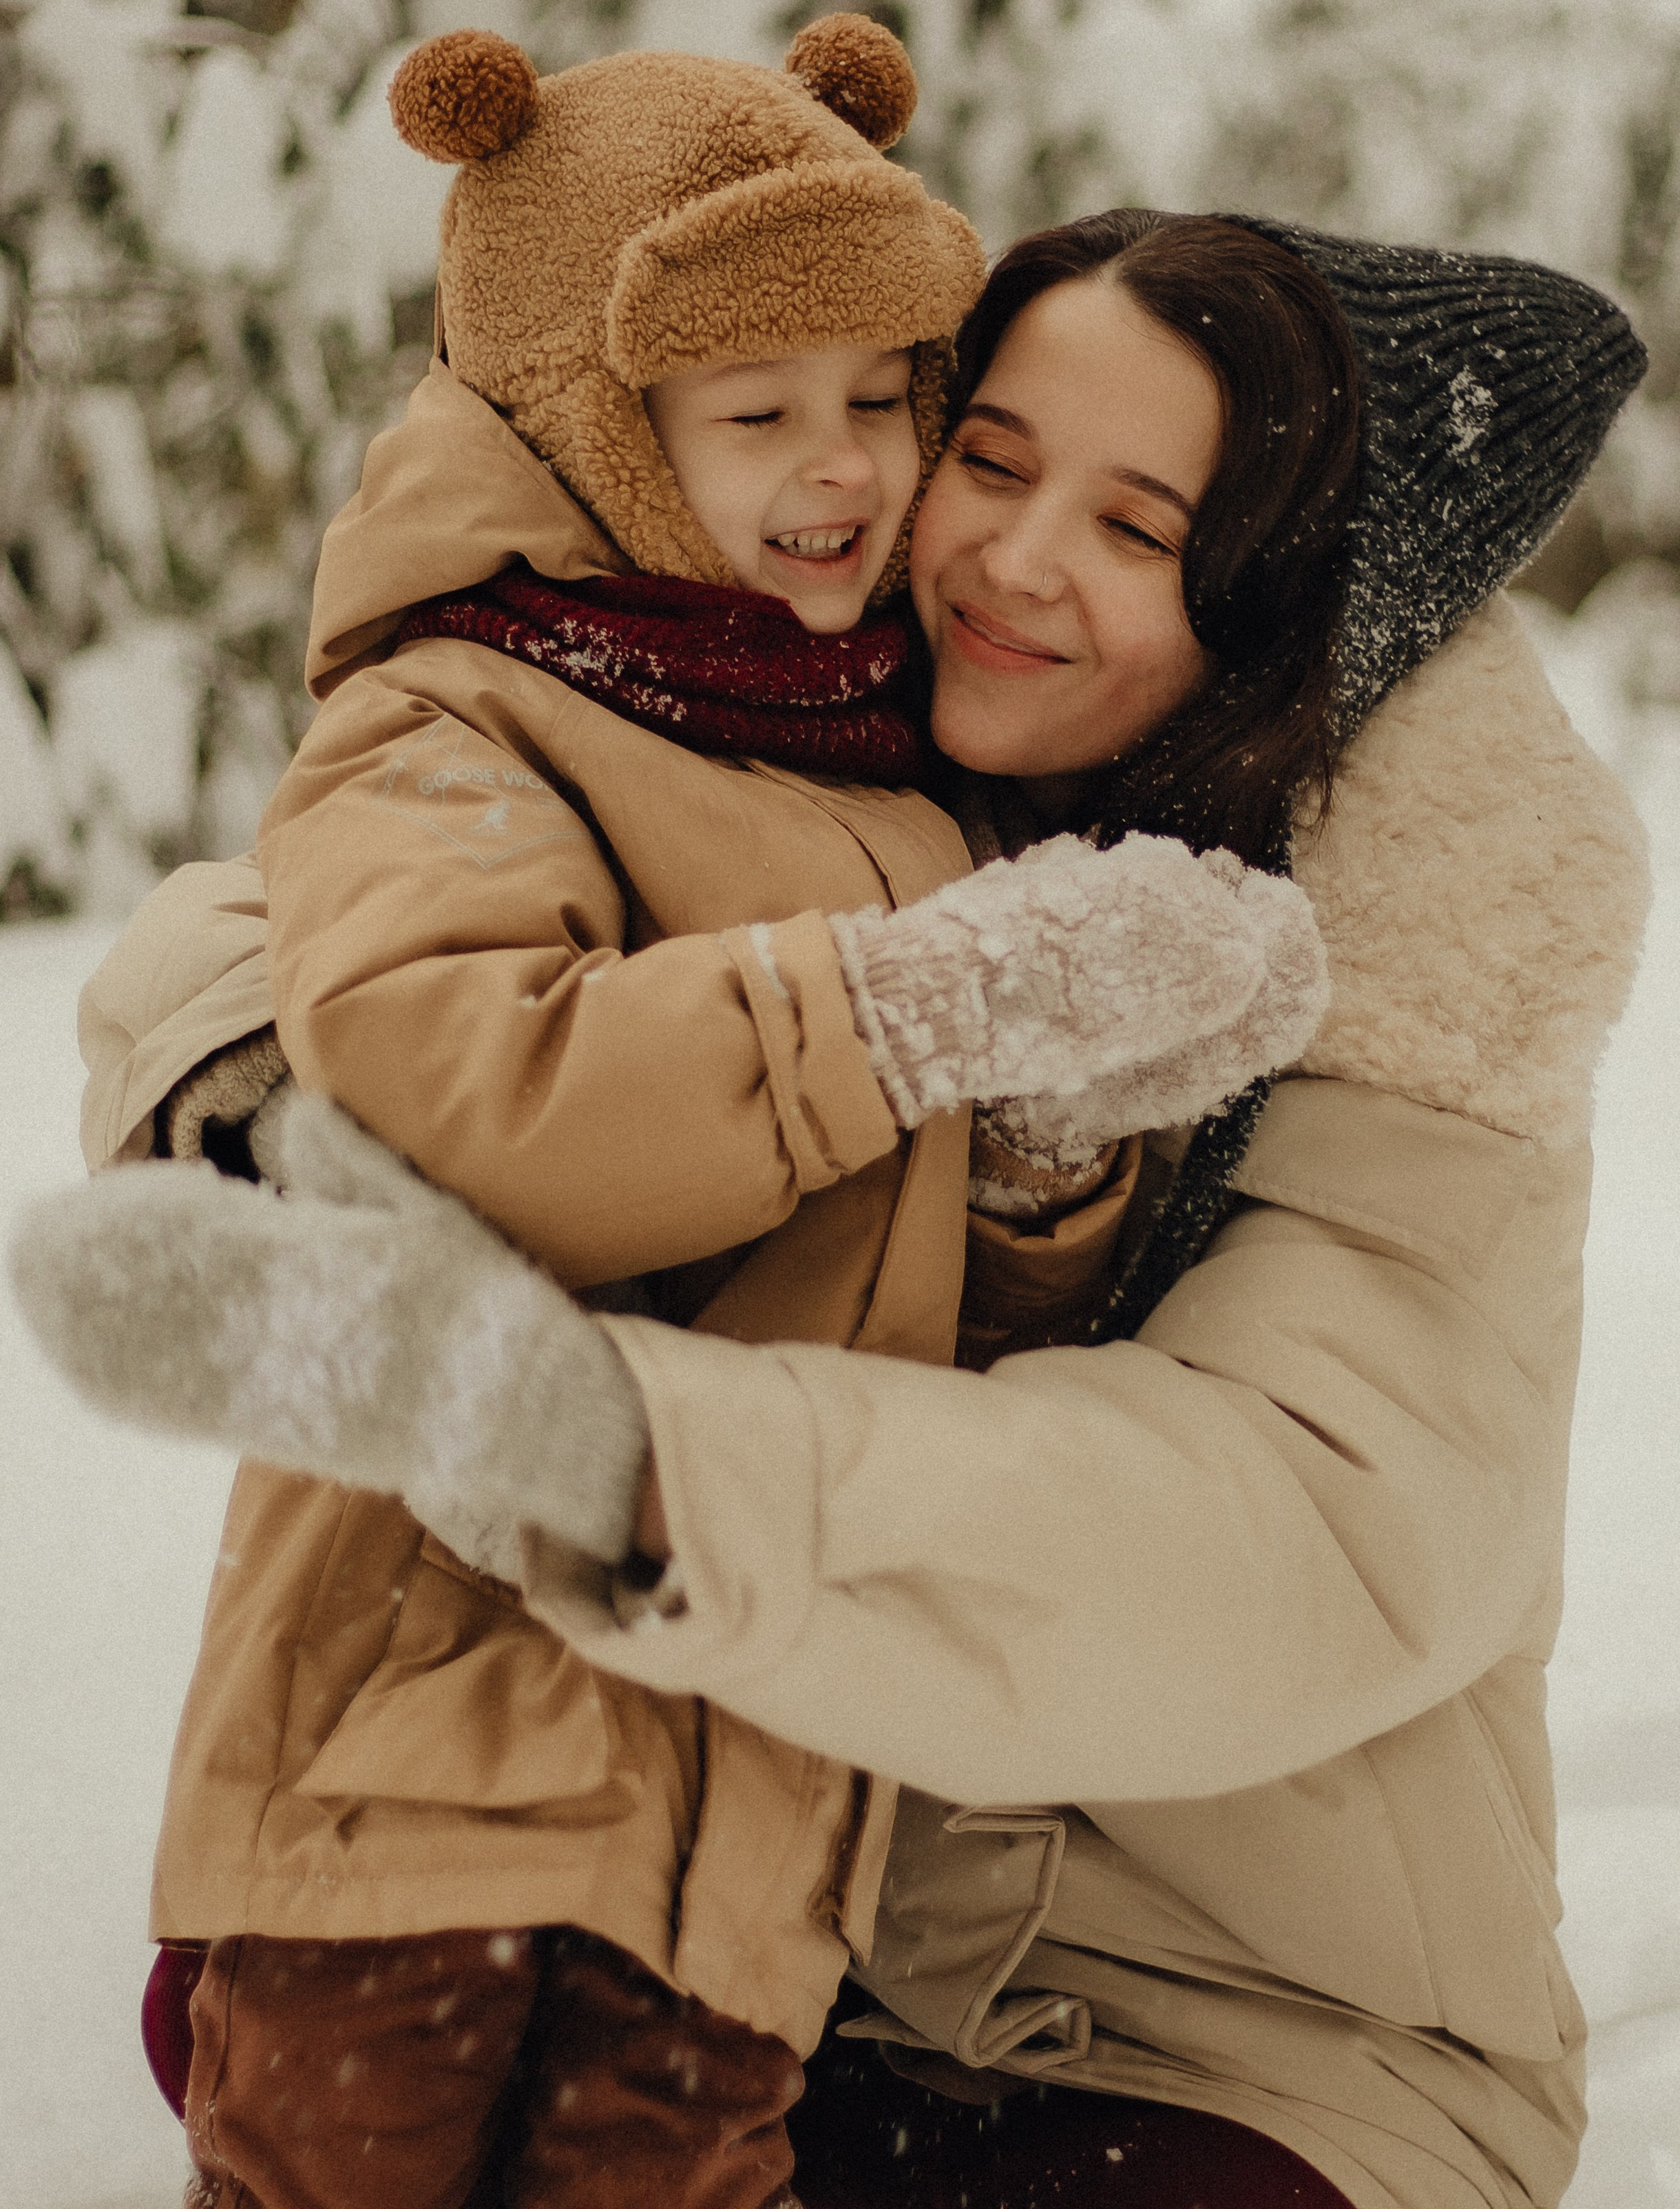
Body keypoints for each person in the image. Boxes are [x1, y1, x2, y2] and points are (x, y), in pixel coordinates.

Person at [16, 209, 1650, 2209]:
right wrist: (302, 1108)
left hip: (1226, 2038)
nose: (1015, 560)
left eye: (1139, 529)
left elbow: (1288, 1536)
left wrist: (613, 1451)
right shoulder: (821, 740)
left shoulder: (1415, 983)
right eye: (991, 456)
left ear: (1283, 608)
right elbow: (292, 915)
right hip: (757, 1936)